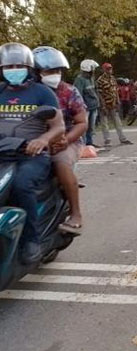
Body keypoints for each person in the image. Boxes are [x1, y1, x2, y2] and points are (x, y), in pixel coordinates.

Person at [0, 43, 65, 263]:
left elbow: (58, 126)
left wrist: (42, 140)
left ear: (28, 68)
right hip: (3, 151)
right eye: (9, 66)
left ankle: (31, 240)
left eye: (19, 65)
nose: (14, 69)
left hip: (32, 155)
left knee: (21, 184)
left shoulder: (42, 92)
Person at [32, 46, 87, 234]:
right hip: (31, 141)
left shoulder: (69, 92)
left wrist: (66, 140)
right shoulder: (26, 93)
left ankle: (76, 214)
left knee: (60, 162)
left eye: (57, 71)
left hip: (66, 141)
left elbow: (82, 123)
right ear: (36, 72)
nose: (54, 75)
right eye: (49, 71)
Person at [96, 63, 132, 146]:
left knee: (117, 122)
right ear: (104, 70)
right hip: (105, 104)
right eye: (108, 69)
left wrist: (118, 101)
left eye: (110, 68)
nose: (109, 70)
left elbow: (115, 90)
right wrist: (103, 105)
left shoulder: (113, 78)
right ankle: (107, 140)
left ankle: (123, 138)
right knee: (105, 123)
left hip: (113, 104)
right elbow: (99, 94)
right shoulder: (100, 80)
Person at [74, 59, 100, 147]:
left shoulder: (91, 79)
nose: (94, 71)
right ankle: (83, 144)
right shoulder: (80, 80)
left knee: (91, 127)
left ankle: (89, 142)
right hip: (85, 108)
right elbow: (79, 95)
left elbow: (95, 91)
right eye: (93, 69)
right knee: (84, 127)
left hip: (93, 106)